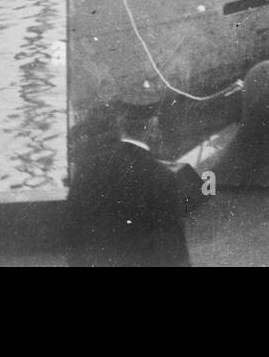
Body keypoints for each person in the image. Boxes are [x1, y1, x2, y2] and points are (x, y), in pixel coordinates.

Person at [64, 102, 191, 267]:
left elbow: (71, 226)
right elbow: (173, 247)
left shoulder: (89, 166)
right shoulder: (162, 176)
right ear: (152, 127)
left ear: (121, 125)